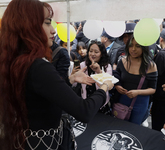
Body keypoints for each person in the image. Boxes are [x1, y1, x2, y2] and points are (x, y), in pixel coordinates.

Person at [0, 0, 114, 150]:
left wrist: (69, 79)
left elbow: (37, 95)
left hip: (18, 139)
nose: (53, 30)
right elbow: (84, 111)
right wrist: (104, 87)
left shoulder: (12, 59)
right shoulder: (38, 66)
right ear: (28, 26)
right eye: (47, 23)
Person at [113, 36, 158, 125]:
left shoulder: (150, 65)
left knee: (134, 127)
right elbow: (116, 76)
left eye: (138, 46)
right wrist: (117, 85)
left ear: (144, 48)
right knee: (120, 124)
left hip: (140, 102)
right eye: (131, 45)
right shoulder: (122, 61)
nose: (133, 49)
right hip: (123, 99)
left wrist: (138, 92)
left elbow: (153, 89)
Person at [78, 40, 112, 106]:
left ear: (101, 54)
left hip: (101, 103)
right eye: (91, 51)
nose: (93, 54)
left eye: (96, 52)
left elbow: (109, 84)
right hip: (86, 100)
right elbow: (75, 84)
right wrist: (73, 74)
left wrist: (99, 71)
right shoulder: (83, 65)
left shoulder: (107, 66)